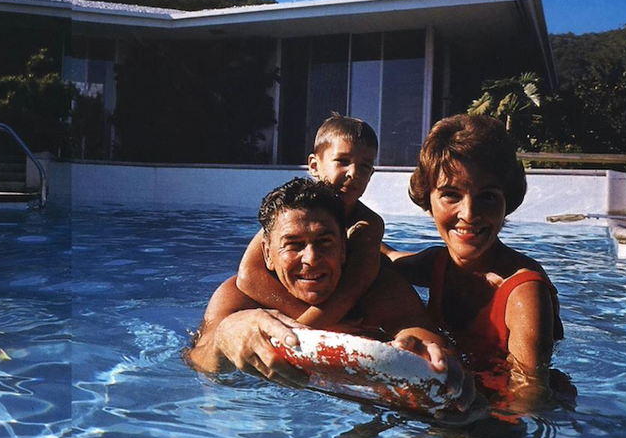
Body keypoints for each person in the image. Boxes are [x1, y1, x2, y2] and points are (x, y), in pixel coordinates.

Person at [187, 178, 475, 413]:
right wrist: (226, 335)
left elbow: (429, 341)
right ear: (267, 255)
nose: (311, 259)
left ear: (344, 249)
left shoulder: (379, 291)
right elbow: (199, 360)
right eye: (293, 245)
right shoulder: (240, 298)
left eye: (324, 242)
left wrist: (436, 358)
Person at [383, 114, 565, 404]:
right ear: (426, 198)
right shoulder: (437, 264)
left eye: (488, 197)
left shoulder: (524, 294)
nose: (469, 214)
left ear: (509, 200)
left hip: (493, 415)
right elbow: (386, 258)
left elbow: (530, 396)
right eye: (451, 195)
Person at [234, 115, 384, 328]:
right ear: (314, 165)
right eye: (342, 161)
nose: (353, 173)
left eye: (364, 166)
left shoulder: (369, 224)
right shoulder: (293, 215)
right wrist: (314, 328)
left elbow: (352, 289)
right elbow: (248, 276)